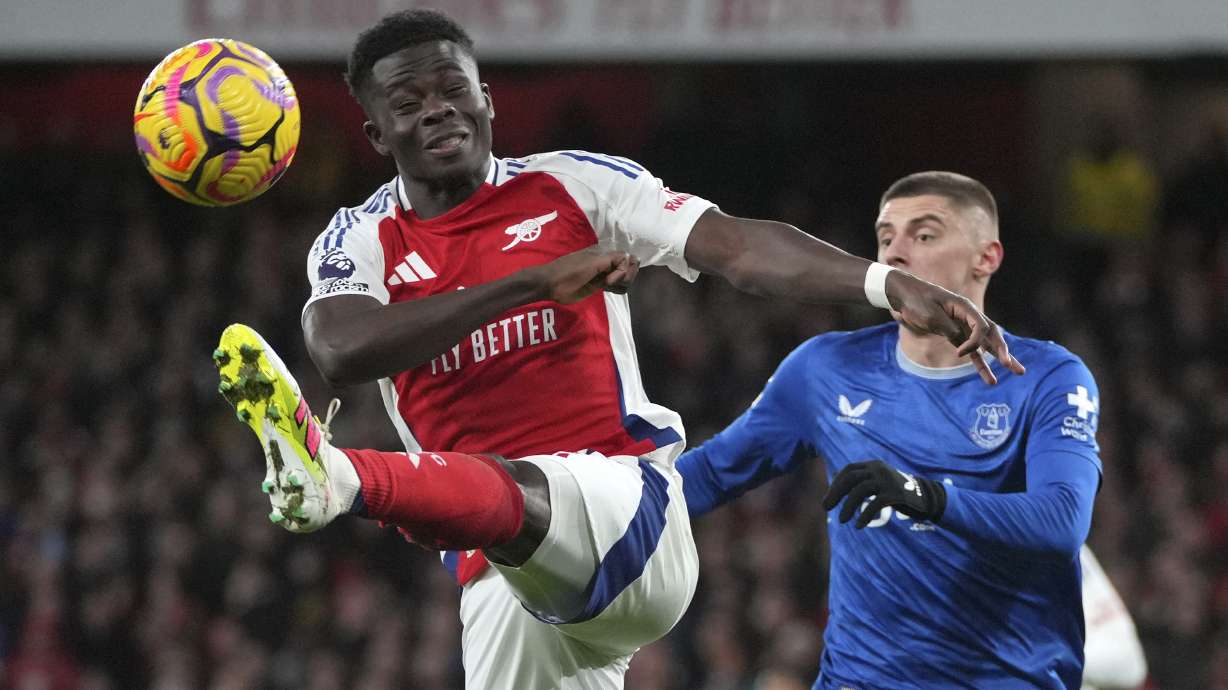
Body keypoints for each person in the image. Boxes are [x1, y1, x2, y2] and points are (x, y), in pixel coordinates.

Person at [212, 11, 1022, 689]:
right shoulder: (360, 238)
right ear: (376, 130)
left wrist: (886, 284)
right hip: (504, 579)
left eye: (453, 87)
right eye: (408, 101)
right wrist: (534, 284)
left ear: (487, 99)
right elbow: (340, 348)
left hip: (630, 511)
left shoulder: (575, 184)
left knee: (510, 484)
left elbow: (735, 248)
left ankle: (343, 475)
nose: (437, 109)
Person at [678, 171, 1101, 689]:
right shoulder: (826, 368)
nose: (895, 253)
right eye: (885, 237)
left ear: (985, 257)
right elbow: (707, 476)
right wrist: (576, 511)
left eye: (923, 235)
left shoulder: (1047, 377)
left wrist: (923, 495)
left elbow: (1060, 522)